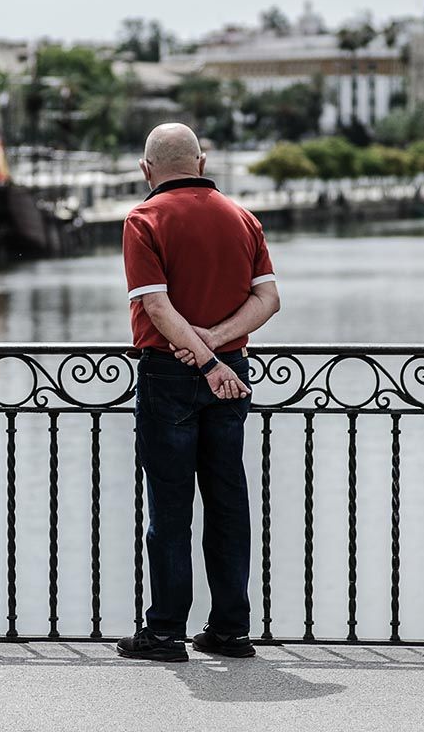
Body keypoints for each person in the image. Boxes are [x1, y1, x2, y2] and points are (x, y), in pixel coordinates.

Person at [116, 123, 280, 662]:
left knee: (170, 509)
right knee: (228, 503)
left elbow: (158, 309)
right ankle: (230, 630)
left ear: (147, 170)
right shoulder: (242, 217)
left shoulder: (144, 219)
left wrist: (202, 357)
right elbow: (268, 300)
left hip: (171, 375)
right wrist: (218, 346)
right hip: (232, 371)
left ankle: (165, 633)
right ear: (202, 161)